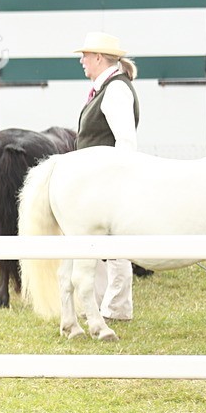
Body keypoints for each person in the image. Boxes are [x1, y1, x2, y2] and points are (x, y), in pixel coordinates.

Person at [75, 31, 140, 321]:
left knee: (115, 248)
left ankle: (116, 308)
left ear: (99, 58)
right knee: (102, 246)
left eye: (85, 55)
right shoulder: (108, 87)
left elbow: (125, 141)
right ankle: (107, 304)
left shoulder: (115, 90)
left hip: (108, 182)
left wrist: (115, 183)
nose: (82, 61)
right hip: (98, 182)